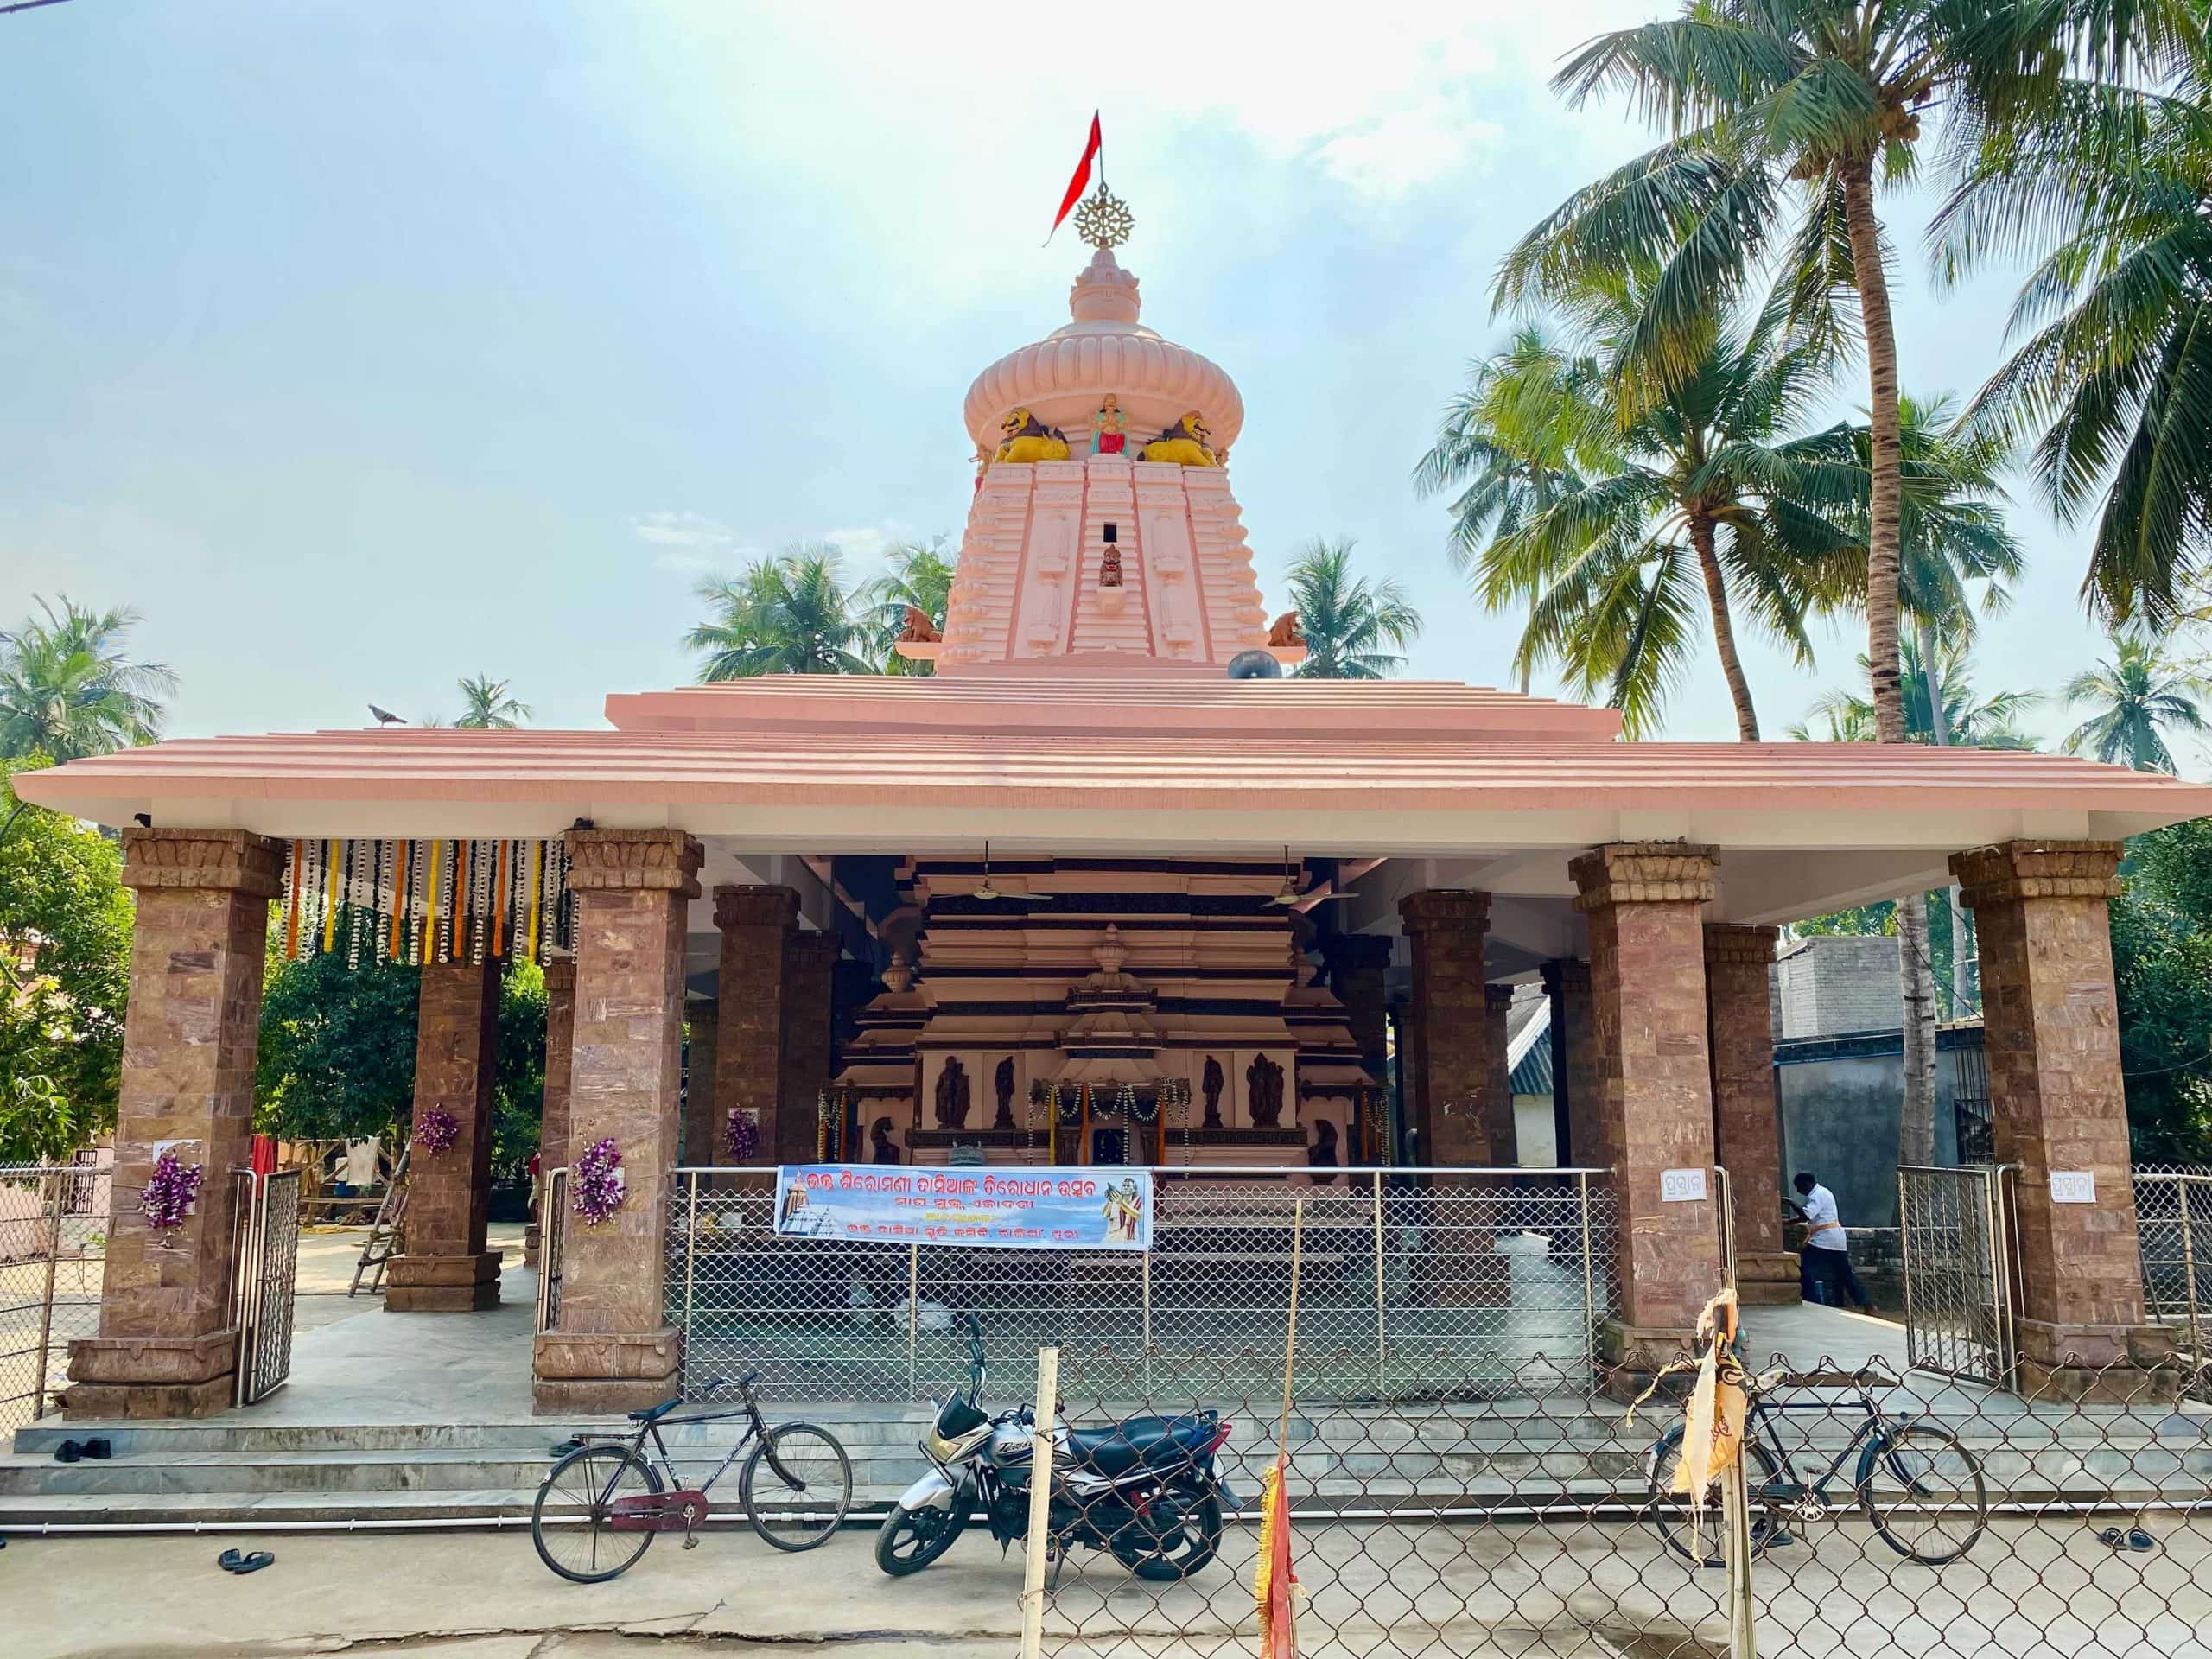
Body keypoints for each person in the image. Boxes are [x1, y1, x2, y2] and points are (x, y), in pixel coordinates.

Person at [1791, 1172, 1872, 1313]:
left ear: (1807, 1184)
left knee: (1804, 1269)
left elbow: (1806, 1214)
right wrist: (1788, 1222)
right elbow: (1808, 1217)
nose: (1799, 1191)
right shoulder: (1823, 1193)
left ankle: (1812, 1302)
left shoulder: (1817, 1195)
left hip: (1824, 1240)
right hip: (1836, 1240)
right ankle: (1867, 1303)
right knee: (1845, 1274)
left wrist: (1788, 1201)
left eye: (1799, 1187)